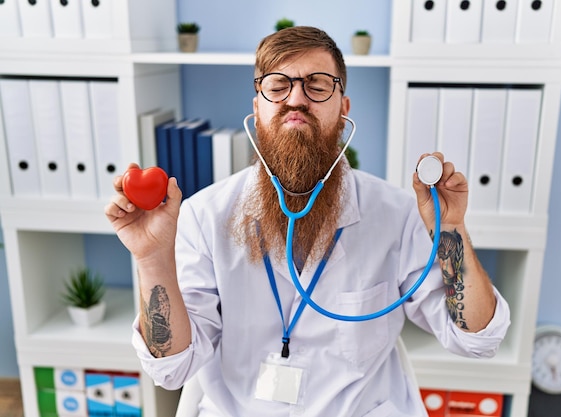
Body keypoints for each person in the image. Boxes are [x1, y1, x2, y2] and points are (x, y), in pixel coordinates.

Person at [105, 26, 510, 417]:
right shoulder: (204, 216)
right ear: (257, 108)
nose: (296, 98)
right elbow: (171, 368)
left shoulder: (396, 213)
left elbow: (476, 340)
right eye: (277, 86)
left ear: (343, 107)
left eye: (317, 85)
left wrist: (452, 228)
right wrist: (151, 257)